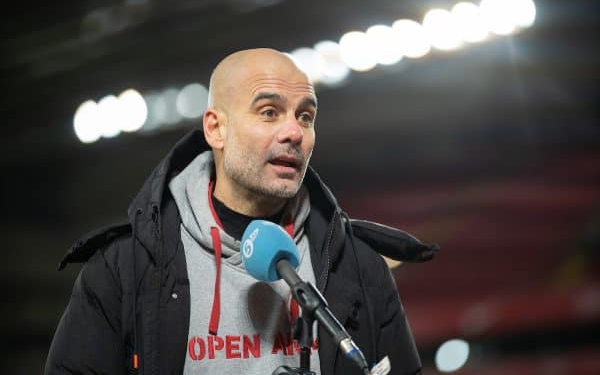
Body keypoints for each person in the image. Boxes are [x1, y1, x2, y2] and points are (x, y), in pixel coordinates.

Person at [45, 48, 437, 375]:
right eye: (269, 112)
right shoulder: (124, 269)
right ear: (215, 129)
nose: (294, 132)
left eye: (305, 116)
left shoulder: (359, 266)